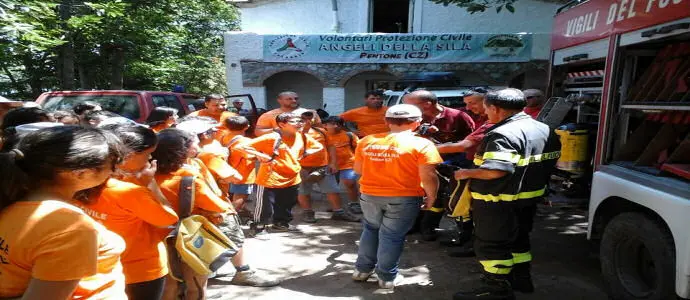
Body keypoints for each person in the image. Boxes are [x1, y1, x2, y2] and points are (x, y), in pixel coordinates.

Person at [452, 89, 560, 300]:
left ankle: (495, 288)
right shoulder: (544, 128)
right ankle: (521, 280)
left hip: (498, 201)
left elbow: (497, 170)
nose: (485, 114)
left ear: (495, 108)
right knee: (519, 239)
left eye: (485, 109)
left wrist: (465, 172)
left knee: (491, 244)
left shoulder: (502, 134)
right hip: (528, 198)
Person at [0, 126, 127, 299]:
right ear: (80, 173)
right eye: (111, 165)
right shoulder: (70, 228)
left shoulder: (13, 198)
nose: (113, 172)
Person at [153, 129, 277, 299]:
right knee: (195, 286)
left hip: (158, 238)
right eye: (194, 141)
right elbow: (216, 205)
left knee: (169, 285)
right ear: (184, 149)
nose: (198, 144)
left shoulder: (146, 175)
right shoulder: (189, 177)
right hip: (189, 237)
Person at [76, 124, 179, 300]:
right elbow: (169, 220)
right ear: (128, 156)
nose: (151, 158)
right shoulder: (129, 191)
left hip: (96, 268)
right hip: (140, 270)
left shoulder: (81, 182)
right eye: (147, 154)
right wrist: (150, 184)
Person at [352, 104, 443, 289]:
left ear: (386, 121)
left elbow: (358, 170)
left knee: (371, 229)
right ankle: (386, 277)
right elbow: (429, 176)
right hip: (404, 197)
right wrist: (432, 197)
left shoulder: (367, 140)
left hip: (369, 194)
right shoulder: (423, 144)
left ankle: (361, 271)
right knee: (392, 236)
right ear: (417, 123)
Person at [403, 90, 476, 241]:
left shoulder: (458, 116)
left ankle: (455, 234)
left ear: (427, 104)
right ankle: (417, 225)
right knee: (418, 194)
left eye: (410, 104)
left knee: (448, 197)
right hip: (421, 163)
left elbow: (471, 142)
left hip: (452, 165)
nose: (406, 108)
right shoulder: (411, 117)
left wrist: (437, 140)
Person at [236, 112, 323, 236]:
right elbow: (241, 146)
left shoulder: (301, 136)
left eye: (301, 121)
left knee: (286, 204)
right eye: (295, 121)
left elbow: (318, 146)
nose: (300, 123)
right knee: (265, 207)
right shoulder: (271, 137)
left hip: (292, 178)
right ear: (282, 124)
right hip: (270, 179)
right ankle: (258, 227)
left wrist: (304, 154)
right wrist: (261, 155)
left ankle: (281, 223)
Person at [435, 87, 495, 252]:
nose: (468, 108)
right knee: (464, 205)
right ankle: (465, 238)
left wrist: (422, 147)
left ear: (489, 102)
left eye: (472, 103)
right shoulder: (479, 116)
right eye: (466, 104)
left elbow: (463, 145)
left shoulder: (493, 122)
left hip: (483, 170)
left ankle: (472, 244)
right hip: (473, 165)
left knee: (473, 208)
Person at [296, 110, 360, 223]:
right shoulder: (293, 133)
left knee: (332, 190)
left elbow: (331, 147)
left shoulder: (321, 131)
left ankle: (338, 212)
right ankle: (308, 212)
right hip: (302, 167)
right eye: (303, 118)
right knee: (304, 191)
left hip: (322, 166)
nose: (307, 121)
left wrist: (333, 163)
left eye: (310, 118)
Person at [176, 117, 242, 199]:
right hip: (211, 200)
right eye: (213, 130)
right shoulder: (209, 156)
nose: (217, 131)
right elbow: (236, 178)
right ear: (204, 135)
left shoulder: (175, 155)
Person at [323, 116, 361, 213]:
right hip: (330, 164)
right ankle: (335, 206)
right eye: (332, 124)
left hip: (348, 163)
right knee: (332, 187)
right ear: (325, 125)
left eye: (338, 124)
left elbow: (359, 148)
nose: (335, 126)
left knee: (350, 183)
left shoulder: (349, 135)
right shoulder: (322, 136)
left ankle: (354, 203)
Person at [221, 116, 257, 216]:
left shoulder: (224, 137)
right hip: (243, 174)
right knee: (240, 197)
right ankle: (228, 218)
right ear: (247, 127)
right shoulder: (246, 141)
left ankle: (240, 211)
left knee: (231, 195)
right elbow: (251, 157)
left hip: (228, 171)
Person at [254, 91, 321, 136]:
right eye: (289, 99)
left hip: (308, 147)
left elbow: (320, 130)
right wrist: (279, 130)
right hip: (281, 149)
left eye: (296, 98)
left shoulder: (310, 113)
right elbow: (258, 132)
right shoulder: (269, 115)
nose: (294, 101)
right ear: (279, 101)